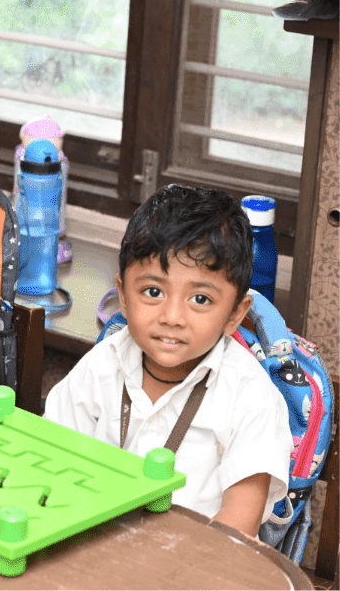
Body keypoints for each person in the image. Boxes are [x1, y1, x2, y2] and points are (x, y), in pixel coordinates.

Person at [44, 185, 292, 537]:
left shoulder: (251, 397)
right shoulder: (102, 363)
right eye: (153, 292)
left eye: (201, 299)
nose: (172, 317)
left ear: (236, 314)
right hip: (90, 543)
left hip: (196, 559)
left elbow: (239, 526)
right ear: (123, 296)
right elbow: (54, 458)